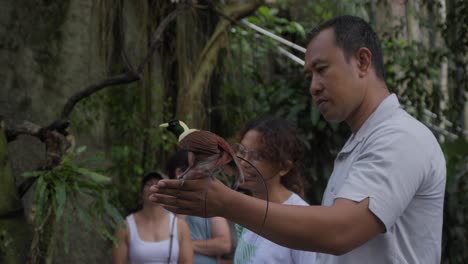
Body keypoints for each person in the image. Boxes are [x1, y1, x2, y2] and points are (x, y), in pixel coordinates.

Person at [150, 15, 446, 264]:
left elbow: (339, 232)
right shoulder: (358, 145)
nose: (314, 87)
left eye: (322, 70)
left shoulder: (400, 137)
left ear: (362, 61)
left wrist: (226, 202)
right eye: (309, 77)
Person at [232, 115, 316, 263]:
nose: (243, 163)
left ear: (283, 167)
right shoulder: (247, 211)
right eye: (241, 152)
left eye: (256, 156)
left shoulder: (300, 218)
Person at [112, 171, 193, 264]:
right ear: (141, 192)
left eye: (159, 185)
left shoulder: (180, 226)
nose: (153, 188)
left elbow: (187, 261)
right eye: (149, 184)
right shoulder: (125, 226)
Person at [167, 150, 232, 264]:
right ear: (179, 172)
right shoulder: (161, 205)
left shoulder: (210, 201)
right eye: (197, 169)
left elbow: (224, 244)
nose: (203, 174)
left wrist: (187, 244)